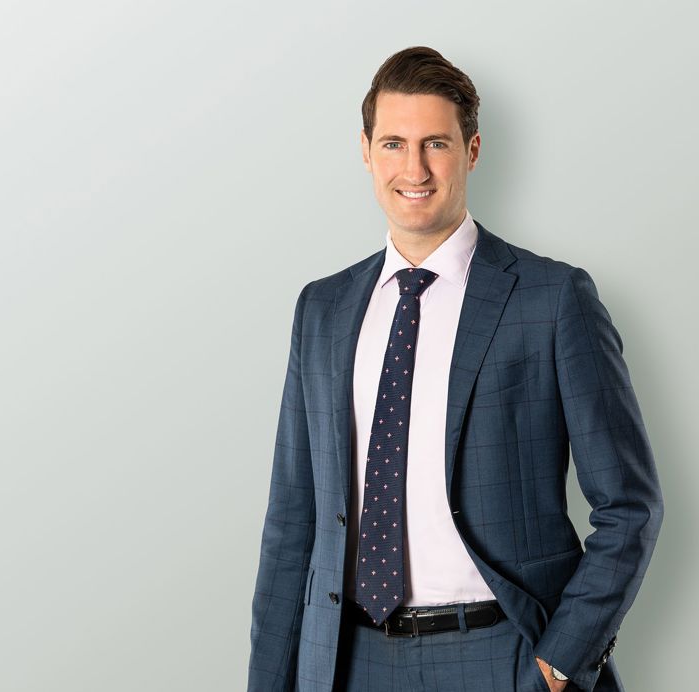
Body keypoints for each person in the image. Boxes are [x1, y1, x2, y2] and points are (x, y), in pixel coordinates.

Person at [247, 46, 663, 692]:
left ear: (471, 151)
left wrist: (557, 663)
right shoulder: (323, 310)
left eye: (435, 144)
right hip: (346, 662)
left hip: (501, 654)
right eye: (393, 144)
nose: (413, 168)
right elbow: (292, 522)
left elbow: (631, 507)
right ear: (365, 152)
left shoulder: (552, 300)